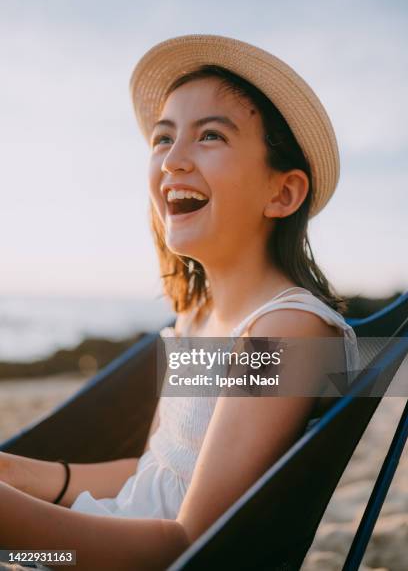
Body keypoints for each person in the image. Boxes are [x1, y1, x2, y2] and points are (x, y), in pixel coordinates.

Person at [0, 34, 360, 570]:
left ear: (281, 193)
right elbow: (165, 471)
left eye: (210, 135)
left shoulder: (285, 334)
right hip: (117, 529)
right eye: (162, 139)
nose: (172, 160)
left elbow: (190, 545)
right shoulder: (198, 316)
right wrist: (22, 477)